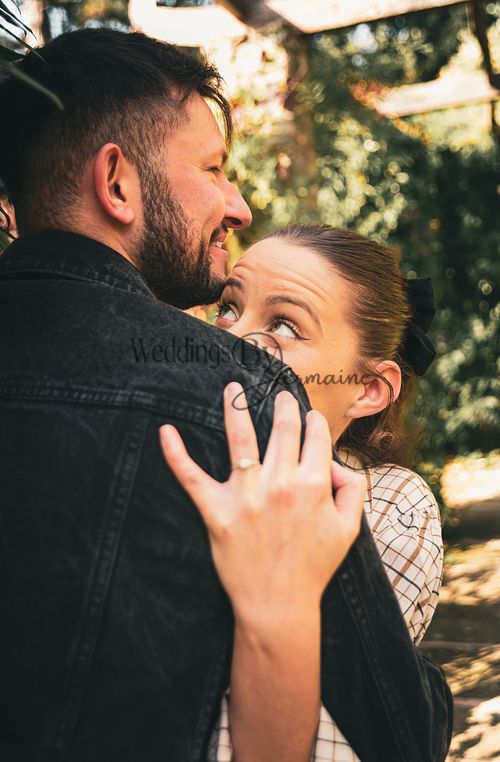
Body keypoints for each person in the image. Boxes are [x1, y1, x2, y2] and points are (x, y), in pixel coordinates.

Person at [0, 28, 452, 762]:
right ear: (116, 183)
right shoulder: (239, 406)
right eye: (213, 168)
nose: (239, 205)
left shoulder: (392, 500)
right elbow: (397, 735)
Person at [162, 224, 444, 760]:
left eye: (285, 325)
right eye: (227, 307)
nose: (230, 340)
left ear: (368, 389)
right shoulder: (171, 453)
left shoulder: (387, 507)